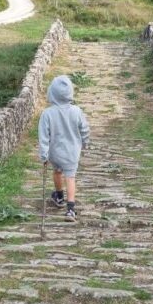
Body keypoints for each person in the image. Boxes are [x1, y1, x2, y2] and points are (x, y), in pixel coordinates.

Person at [38, 75, 90, 222]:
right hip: (72, 152)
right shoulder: (76, 111)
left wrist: (44, 154)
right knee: (70, 177)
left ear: (52, 93)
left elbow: (44, 136)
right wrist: (85, 142)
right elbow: (84, 129)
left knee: (57, 172)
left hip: (55, 152)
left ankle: (59, 196)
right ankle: (70, 209)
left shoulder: (47, 113)